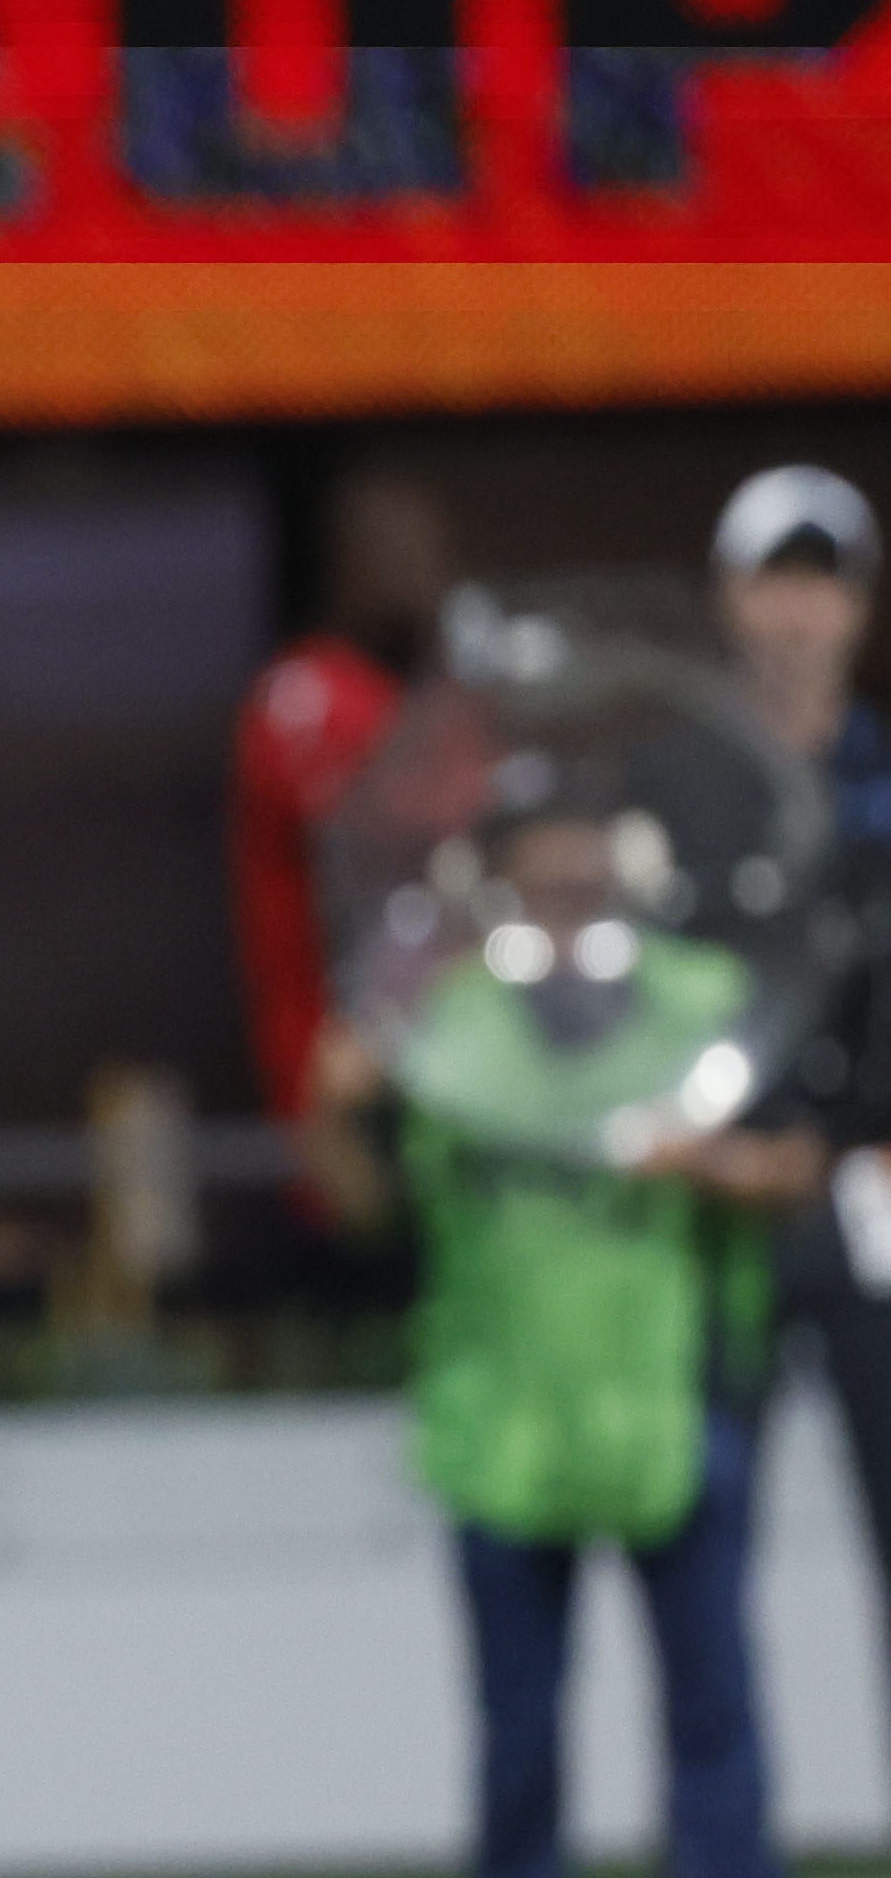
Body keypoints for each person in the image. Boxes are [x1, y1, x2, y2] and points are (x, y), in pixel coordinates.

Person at [309, 801, 811, 1878]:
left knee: (712, 1708)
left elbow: (793, 1169)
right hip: (502, 1411)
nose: (571, 906)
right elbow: (368, 1212)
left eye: (592, 884)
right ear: (501, 891)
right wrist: (328, 1112)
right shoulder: (446, 1020)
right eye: (547, 886)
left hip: (671, 1399)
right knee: (518, 1736)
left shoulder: (702, 1000)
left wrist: (717, 1166)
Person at [703, 463, 891, 1808]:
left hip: (877, 1197)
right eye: (772, 579)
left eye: (818, 582)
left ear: (856, 605)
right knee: (703, 1558)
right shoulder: (677, 781)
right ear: (727, 600)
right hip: (724, 1203)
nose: (793, 613)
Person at [232, 472, 455, 1136]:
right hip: (331, 1049)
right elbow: (378, 832)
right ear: (348, 567)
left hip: (427, 1048)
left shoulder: (414, 700)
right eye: (396, 556)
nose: (420, 579)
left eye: (428, 555)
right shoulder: (308, 690)